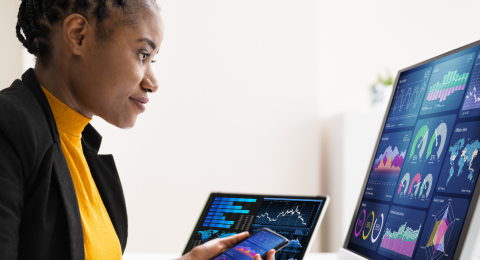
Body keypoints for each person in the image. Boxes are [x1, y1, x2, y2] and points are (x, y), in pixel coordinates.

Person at [0, 0, 276, 260]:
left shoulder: (78, 147)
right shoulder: (8, 126)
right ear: (78, 35)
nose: (152, 83)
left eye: (152, 60)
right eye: (142, 54)